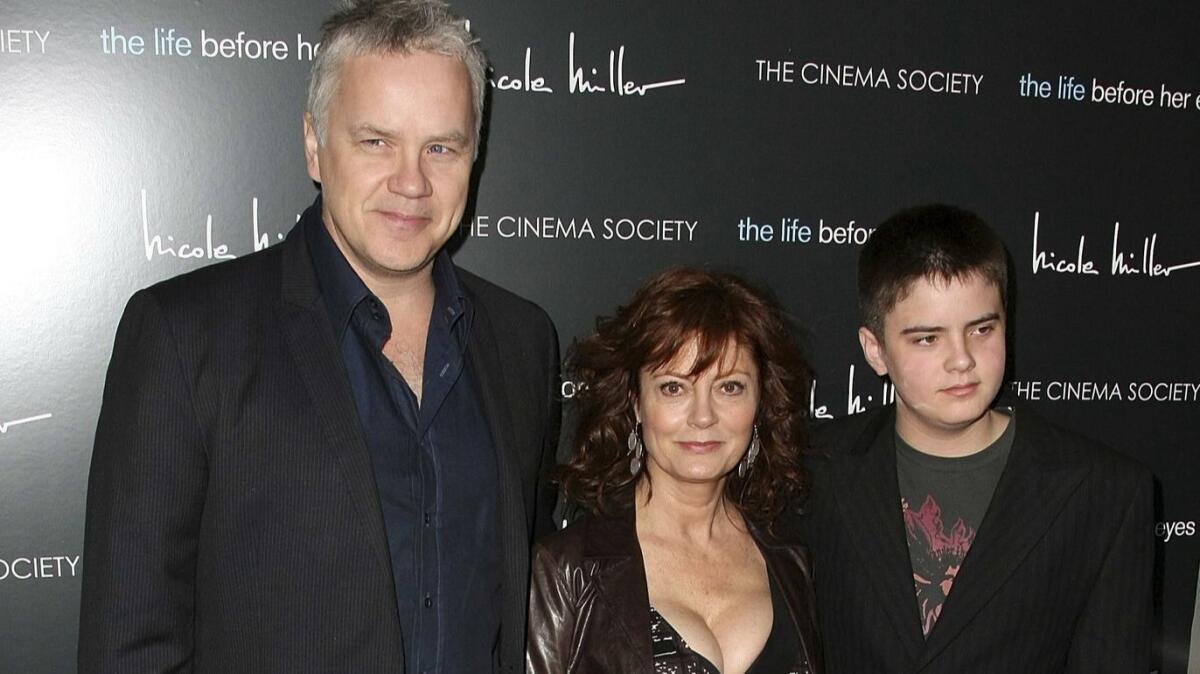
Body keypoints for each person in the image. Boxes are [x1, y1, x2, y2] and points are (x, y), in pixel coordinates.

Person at [77, 2, 561, 672]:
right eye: (376, 141)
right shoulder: (185, 338)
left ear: (474, 154)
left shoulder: (522, 341)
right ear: (313, 143)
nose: (411, 181)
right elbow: (129, 644)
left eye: (441, 147)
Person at [796, 204, 1153, 673]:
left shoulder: (1106, 493)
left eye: (982, 329)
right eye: (928, 339)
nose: (961, 359)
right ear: (875, 350)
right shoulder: (811, 473)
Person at [526, 267, 823, 674]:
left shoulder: (792, 559)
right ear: (635, 401)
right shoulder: (567, 568)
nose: (703, 416)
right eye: (673, 388)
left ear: (760, 402)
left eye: (729, 387)